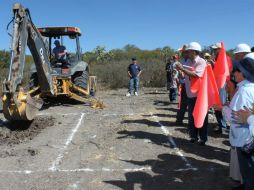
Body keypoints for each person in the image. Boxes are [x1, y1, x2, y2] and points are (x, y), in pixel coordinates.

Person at [175, 42, 208, 145]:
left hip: (200, 95)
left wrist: (182, 69)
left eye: (188, 51)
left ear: (194, 51)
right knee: (191, 116)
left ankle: (203, 138)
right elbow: (185, 76)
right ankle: (193, 136)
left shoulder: (201, 62)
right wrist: (180, 73)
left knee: (202, 116)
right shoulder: (188, 61)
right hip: (190, 93)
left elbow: (196, 75)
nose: (187, 53)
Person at [175, 45, 188, 125]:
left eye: (182, 51)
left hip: (191, 86)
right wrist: (180, 73)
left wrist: (182, 73)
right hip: (184, 84)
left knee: (191, 105)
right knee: (182, 103)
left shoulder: (191, 61)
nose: (181, 53)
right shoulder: (182, 61)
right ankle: (179, 120)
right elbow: (181, 75)